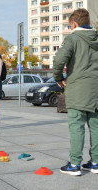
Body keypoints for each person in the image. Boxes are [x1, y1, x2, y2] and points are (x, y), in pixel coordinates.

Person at [53, 8, 98, 176]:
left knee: (77, 127)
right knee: (96, 127)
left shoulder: (72, 38)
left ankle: (75, 164)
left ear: (74, 24)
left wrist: (58, 77)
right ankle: (95, 162)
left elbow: (59, 60)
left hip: (78, 90)